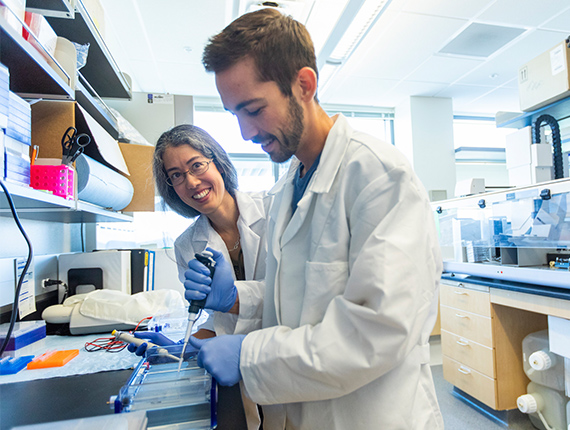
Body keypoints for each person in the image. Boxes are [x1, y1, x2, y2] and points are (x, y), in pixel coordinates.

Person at [183, 8, 444, 430]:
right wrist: (235, 298)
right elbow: (302, 301)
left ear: (303, 85)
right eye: (234, 114)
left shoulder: (379, 176)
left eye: (253, 109)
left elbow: (376, 332)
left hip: (370, 416)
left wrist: (248, 354)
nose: (245, 133)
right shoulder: (290, 184)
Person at [130, 124, 270, 430]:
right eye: (176, 175)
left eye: (196, 165)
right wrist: (183, 347)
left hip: (287, 359)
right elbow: (221, 319)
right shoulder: (186, 245)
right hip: (243, 375)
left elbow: (297, 294)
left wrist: (234, 298)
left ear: (217, 162)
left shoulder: (274, 210)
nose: (191, 182)